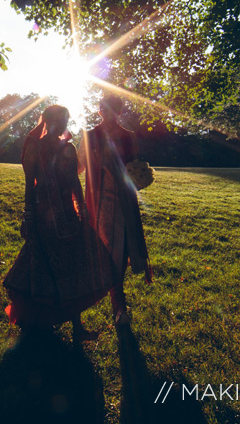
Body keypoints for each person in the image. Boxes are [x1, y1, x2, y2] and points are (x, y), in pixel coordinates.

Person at [3, 105, 113, 342]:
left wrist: (83, 211)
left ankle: (77, 327)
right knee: (45, 268)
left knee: (74, 267)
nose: (62, 125)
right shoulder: (34, 147)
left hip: (68, 215)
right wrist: (29, 216)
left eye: (65, 120)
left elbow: (75, 182)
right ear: (47, 121)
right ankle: (39, 320)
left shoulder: (69, 148)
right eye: (59, 120)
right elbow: (29, 184)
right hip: (43, 216)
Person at [82, 95, 152, 325]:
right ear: (99, 110)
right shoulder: (90, 136)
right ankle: (104, 296)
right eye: (106, 109)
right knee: (102, 247)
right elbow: (79, 166)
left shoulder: (128, 137)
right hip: (98, 200)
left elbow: (133, 167)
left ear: (120, 112)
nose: (110, 114)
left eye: (115, 110)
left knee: (121, 248)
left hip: (123, 201)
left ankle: (118, 302)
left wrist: (140, 177)